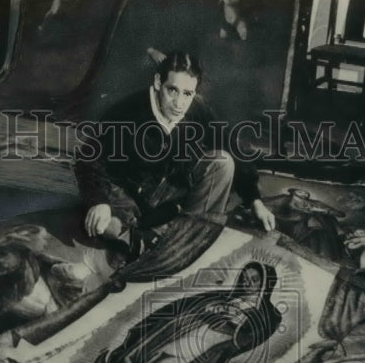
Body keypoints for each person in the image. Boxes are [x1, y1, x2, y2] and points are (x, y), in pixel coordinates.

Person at [74, 51, 275, 254]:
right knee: (105, 227)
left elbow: (232, 148)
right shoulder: (126, 112)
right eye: (172, 90)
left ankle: (188, 238)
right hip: (126, 196)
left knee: (223, 162)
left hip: (167, 192)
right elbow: (87, 160)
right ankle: (148, 239)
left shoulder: (197, 110)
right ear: (158, 83)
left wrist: (254, 201)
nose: (179, 103)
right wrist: (98, 202)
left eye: (188, 94)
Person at [76, 261, 282, 363]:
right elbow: (192, 307)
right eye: (245, 278)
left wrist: (231, 325)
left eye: (254, 280)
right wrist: (210, 312)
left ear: (265, 285)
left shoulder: (267, 314)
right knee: (150, 357)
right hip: (188, 334)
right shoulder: (225, 296)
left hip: (208, 347)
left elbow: (250, 337)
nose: (248, 283)